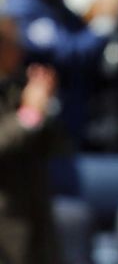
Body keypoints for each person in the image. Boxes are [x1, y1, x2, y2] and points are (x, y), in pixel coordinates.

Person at [0, 14, 64, 264]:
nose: (20, 51)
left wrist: (47, 104)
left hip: (36, 214)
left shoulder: (18, 86)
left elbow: (56, 146)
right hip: (7, 222)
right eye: (13, 44)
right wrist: (29, 114)